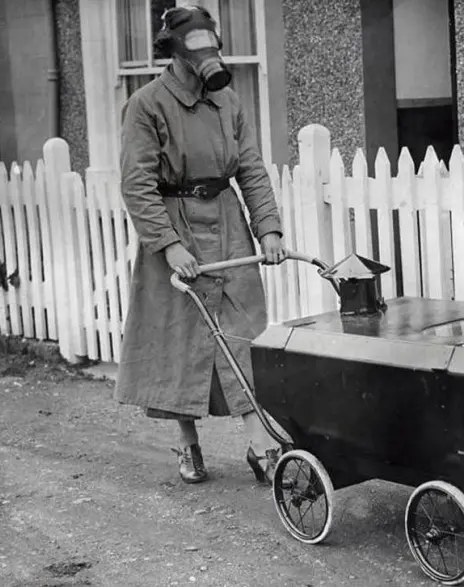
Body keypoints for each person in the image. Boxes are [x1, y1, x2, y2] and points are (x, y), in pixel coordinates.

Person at [114, 5, 286, 485]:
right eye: (196, 49)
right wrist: (168, 246)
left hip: (228, 221)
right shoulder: (146, 105)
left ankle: (259, 443)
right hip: (176, 225)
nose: (207, 58)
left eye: (212, 47)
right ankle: (187, 442)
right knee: (179, 336)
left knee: (243, 331)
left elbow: (250, 167)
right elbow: (137, 185)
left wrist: (267, 227)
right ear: (174, 53)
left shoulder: (228, 101)